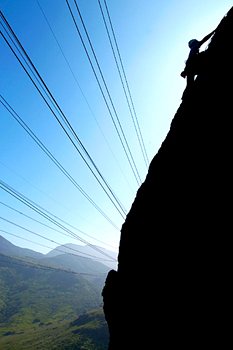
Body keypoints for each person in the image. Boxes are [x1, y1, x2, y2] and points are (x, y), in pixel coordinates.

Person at [181, 30, 215, 95]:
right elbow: (203, 40)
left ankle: (185, 96)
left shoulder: (191, 51)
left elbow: (187, 66)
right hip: (193, 64)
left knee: (189, 85)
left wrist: (185, 72)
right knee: (204, 54)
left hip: (189, 68)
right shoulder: (195, 46)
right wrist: (212, 32)